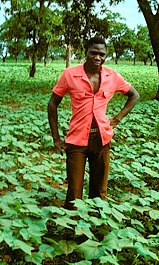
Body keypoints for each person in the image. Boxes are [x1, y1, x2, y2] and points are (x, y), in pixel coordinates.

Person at [48, 36, 140, 208]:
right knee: (74, 193)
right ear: (86, 53)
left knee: (99, 191)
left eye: (102, 54)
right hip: (76, 141)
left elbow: (134, 95)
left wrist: (118, 118)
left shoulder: (112, 76)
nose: (97, 57)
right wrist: (56, 138)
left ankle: (95, 228)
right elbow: (52, 104)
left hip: (102, 139)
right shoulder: (69, 75)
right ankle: (74, 230)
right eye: (94, 53)